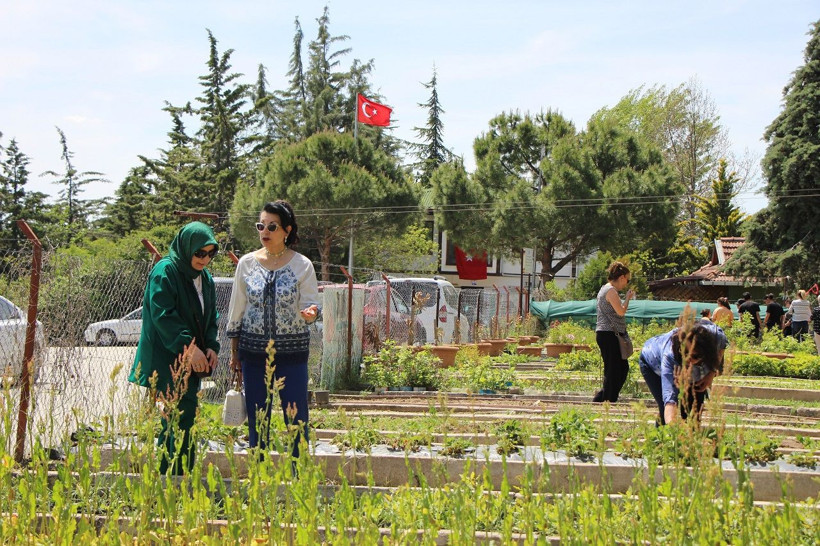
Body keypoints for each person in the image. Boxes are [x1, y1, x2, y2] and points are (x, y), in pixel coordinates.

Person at [226, 200, 320, 461]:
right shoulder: (246, 264)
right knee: (257, 419)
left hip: (292, 356)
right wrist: (235, 353)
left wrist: (311, 313)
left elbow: (311, 303)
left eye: (272, 226)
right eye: (261, 225)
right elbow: (237, 309)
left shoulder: (303, 265)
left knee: (296, 418)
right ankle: (259, 475)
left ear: (287, 230)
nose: (264, 231)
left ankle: (298, 476)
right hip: (253, 355)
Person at [128, 222, 220, 474]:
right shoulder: (165, 271)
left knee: (182, 416)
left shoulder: (205, 278)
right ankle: (173, 476)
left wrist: (211, 345)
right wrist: (189, 348)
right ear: (186, 247)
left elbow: (211, 316)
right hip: (168, 358)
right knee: (177, 416)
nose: (205, 259)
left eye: (210, 253)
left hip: (192, 360)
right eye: (199, 253)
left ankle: (175, 475)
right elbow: (163, 316)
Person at [639, 319, 728, 425]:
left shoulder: (717, 337)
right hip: (652, 363)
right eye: (686, 353)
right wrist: (673, 427)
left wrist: (711, 373)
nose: (689, 359)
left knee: (695, 405)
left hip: (687, 359)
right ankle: (662, 436)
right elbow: (670, 397)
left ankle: (693, 434)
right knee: (664, 408)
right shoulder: (670, 356)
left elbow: (721, 348)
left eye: (695, 356)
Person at [593, 261, 635, 403]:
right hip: (609, 334)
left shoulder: (606, 289)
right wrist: (628, 299)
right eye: (627, 280)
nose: (626, 283)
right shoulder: (610, 291)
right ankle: (607, 399)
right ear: (622, 277)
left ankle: (605, 397)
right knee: (614, 370)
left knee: (620, 368)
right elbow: (621, 311)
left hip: (608, 334)